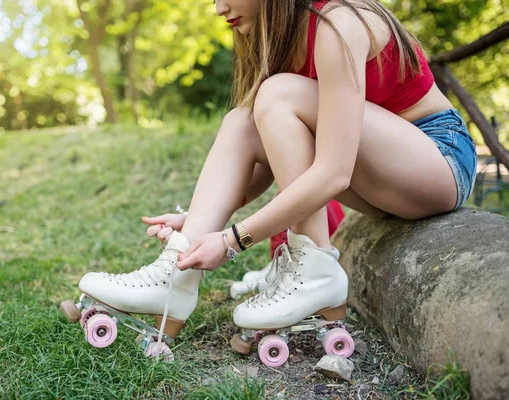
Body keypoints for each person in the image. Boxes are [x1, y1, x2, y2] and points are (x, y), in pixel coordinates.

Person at [79, 0, 477, 343]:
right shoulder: (285, 38)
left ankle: (316, 272)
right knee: (242, 120)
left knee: (276, 94)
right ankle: (174, 279)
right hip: (382, 175)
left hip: (438, 160)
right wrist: (200, 221)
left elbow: (333, 174)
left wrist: (234, 239)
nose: (219, 8)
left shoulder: (338, 23)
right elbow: (273, 156)